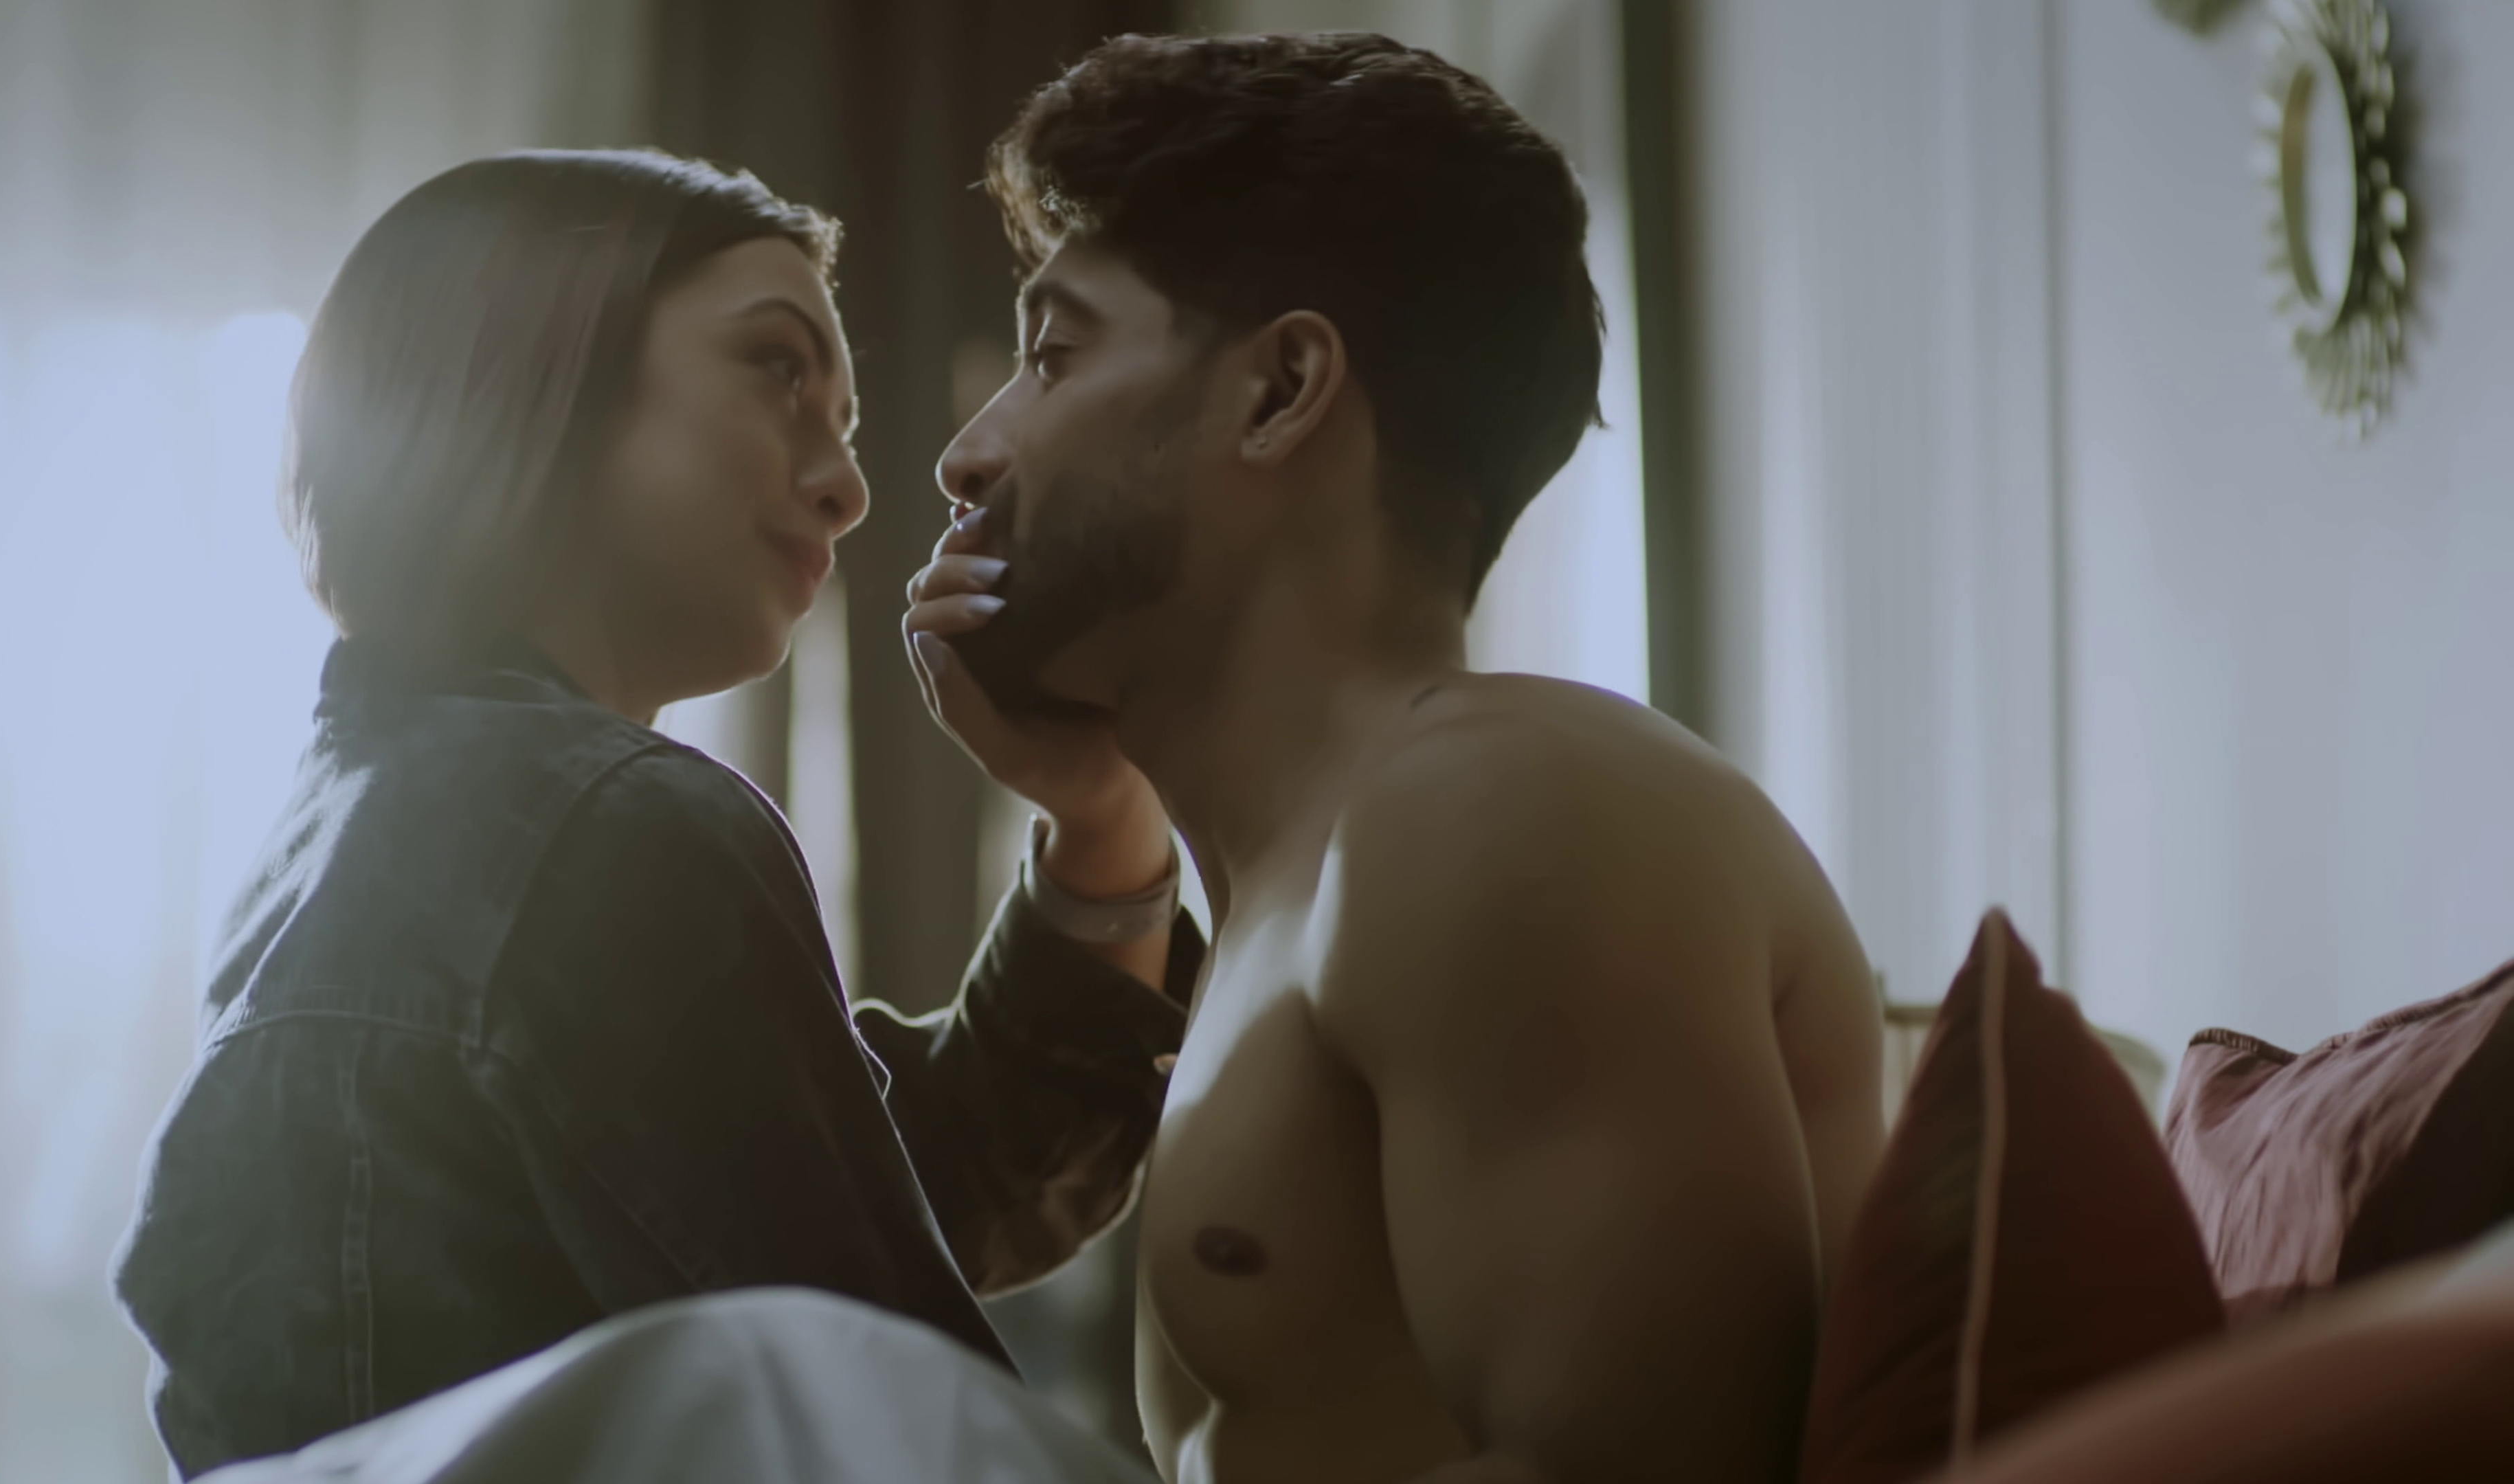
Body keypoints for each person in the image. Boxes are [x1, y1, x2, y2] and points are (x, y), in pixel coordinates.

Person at [111, 149, 1200, 1479]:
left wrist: (1100, 818)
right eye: (777, 368)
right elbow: (893, 1422)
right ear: (529, 370)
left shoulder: (358, 833)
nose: (850, 487)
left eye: (847, 419)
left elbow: (902, 1184)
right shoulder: (607, 826)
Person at [899, 32, 1889, 1483]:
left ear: (1279, 391)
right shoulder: (1310, 872)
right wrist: (1095, 816)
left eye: (1053, 355)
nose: (967, 457)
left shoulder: (1497, 809)